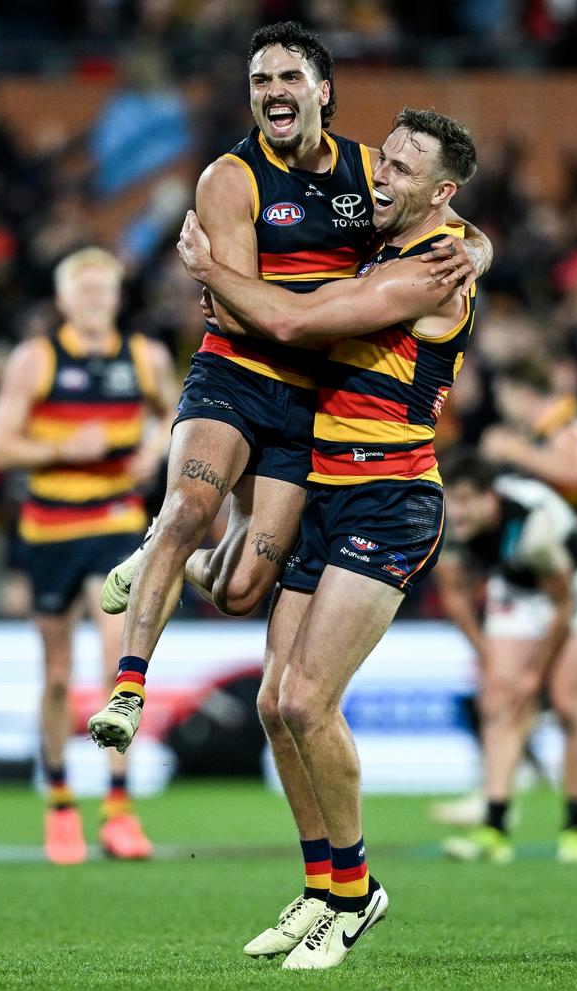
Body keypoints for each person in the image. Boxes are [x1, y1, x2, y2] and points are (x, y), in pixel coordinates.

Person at [88, 23, 490, 747]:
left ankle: (159, 558)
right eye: (260, 81)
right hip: (237, 375)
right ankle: (128, 689)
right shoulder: (229, 179)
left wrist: (477, 252)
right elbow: (246, 319)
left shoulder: (371, 171)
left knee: (242, 591)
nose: (273, 92)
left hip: (314, 399)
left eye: (288, 78)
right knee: (186, 505)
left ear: (321, 92)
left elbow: (444, 218)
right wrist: (259, 295)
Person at [174, 106, 480, 967]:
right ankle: (322, 890)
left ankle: (356, 893)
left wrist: (212, 270)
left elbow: (293, 325)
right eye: (383, 158)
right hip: (325, 490)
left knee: (309, 699)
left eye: (404, 169)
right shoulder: (391, 244)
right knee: (275, 704)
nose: (381, 175)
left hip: (389, 498)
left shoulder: (432, 268)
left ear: (442, 194)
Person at [0, 247, 179, 864]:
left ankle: (119, 807)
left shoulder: (144, 357)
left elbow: (180, 415)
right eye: (85, 288)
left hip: (116, 523)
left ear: (118, 296)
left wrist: (155, 446)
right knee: (58, 676)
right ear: (63, 300)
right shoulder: (36, 359)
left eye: (106, 287)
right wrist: (69, 446)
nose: (96, 297)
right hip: (48, 529)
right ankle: (61, 803)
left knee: (115, 669)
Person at [436, 451, 577, 864]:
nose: (459, 511)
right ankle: (494, 829)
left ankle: (576, 828)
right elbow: (455, 598)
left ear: (491, 498)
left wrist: (535, 673)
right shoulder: (447, 522)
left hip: (573, 587)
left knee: (568, 703)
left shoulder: (533, 525)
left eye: (468, 500)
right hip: (517, 588)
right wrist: (491, 659)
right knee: (499, 699)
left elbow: (562, 604)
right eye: (453, 499)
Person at [481, 357, 577, 516]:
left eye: (503, 395)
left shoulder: (567, 422)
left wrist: (514, 450)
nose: (499, 405)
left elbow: (575, 475)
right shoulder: (541, 431)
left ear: (525, 395)